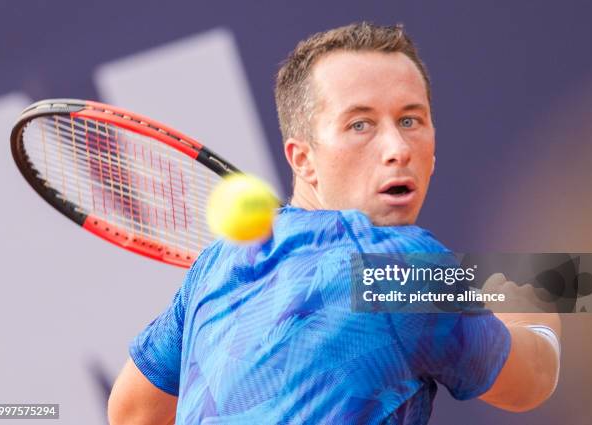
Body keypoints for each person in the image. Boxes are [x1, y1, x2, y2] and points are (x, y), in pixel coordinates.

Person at [108, 23, 561, 424]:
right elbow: (531, 380)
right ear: (303, 159)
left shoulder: (218, 261)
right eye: (360, 125)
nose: (397, 148)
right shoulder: (399, 269)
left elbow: (131, 412)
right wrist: (537, 297)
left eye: (410, 120)